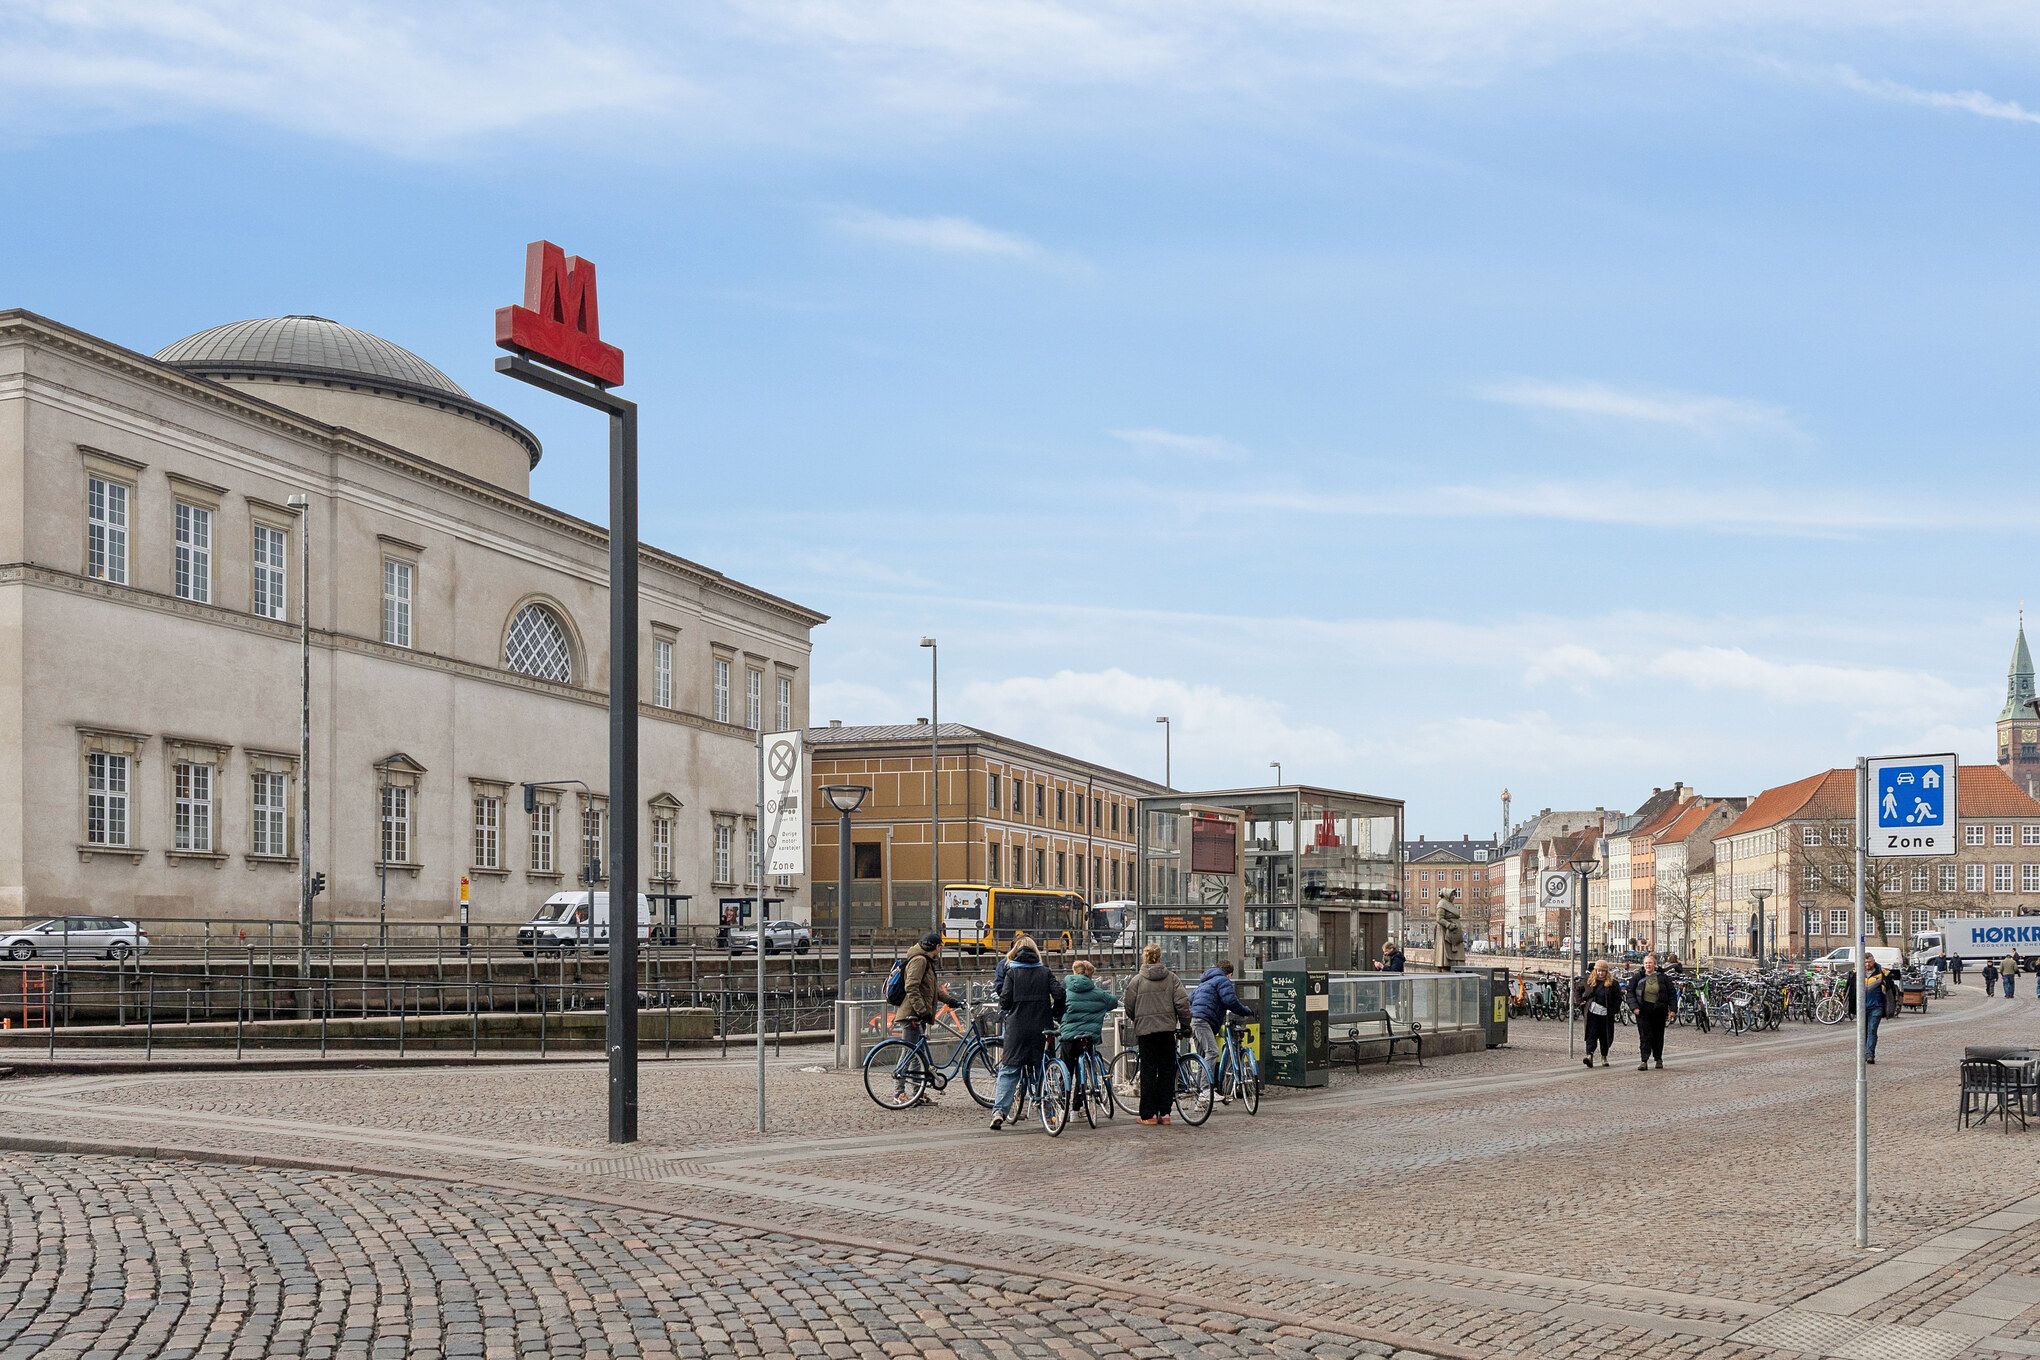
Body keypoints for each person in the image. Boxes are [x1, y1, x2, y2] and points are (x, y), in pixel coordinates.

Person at [988, 938, 1064, 1130]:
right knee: (1043, 1070)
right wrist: (1055, 1012)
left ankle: (999, 1112)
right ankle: (1049, 1115)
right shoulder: (1045, 972)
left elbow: (1005, 1000)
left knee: (1009, 1070)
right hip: (1042, 1027)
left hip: (1017, 1029)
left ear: (1016, 952)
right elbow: (1060, 994)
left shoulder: (1012, 972)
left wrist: (1011, 1008)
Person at [1120, 942, 1192, 1125]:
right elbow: (1182, 1004)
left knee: (1148, 1071)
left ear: (1144, 958)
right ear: (1160, 957)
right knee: (1167, 1070)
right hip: (1167, 1030)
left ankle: (1148, 1115)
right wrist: (1185, 1024)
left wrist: (1139, 1018)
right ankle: (1165, 1113)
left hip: (1145, 1032)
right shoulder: (1172, 978)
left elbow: (1129, 1006)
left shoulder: (1137, 980)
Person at [896, 932, 962, 1106]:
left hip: (918, 1014)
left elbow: (932, 990)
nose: (941, 950)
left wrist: (951, 1001)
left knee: (917, 1054)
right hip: (912, 1014)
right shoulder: (920, 961)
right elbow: (911, 986)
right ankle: (899, 1093)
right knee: (909, 1054)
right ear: (936, 947)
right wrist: (922, 1010)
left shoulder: (925, 961)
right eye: (940, 947)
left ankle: (917, 1093)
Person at [1189, 960, 1257, 1099]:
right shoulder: (1222, 980)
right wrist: (1246, 1011)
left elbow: (1190, 999)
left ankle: (1201, 1099)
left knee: (1203, 1057)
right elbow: (1230, 1001)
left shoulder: (1205, 982)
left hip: (1195, 1020)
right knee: (1212, 1052)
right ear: (1229, 974)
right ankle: (1206, 1090)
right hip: (1204, 1021)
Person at [1057, 960, 1116, 1108]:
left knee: (1066, 1069)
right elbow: (1113, 1002)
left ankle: (1063, 1101)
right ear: (1091, 975)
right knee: (1083, 1069)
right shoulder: (1099, 994)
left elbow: (1057, 1010)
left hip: (1068, 1038)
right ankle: (1077, 1105)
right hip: (1088, 1038)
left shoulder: (1065, 991)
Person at [1628, 952, 1675, 1071]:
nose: (1648, 965)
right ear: (1643, 965)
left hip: (1659, 1010)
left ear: (1655, 964)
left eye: (1650, 963)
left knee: (1658, 1035)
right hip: (1643, 1010)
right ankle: (1644, 1060)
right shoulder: (1637, 977)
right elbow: (1630, 993)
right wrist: (1634, 1007)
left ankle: (1658, 1058)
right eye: (1646, 963)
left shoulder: (1663, 978)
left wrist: (1673, 1009)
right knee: (1645, 1035)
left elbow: (1672, 994)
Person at [1580, 961, 1621, 1068]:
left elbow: (1618, 999)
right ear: (1595, 971)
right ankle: (1589, 1055)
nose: (1600, 973)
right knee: (1591, 1035)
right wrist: (1580, 1002)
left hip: (1606, 1014)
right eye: (1598, 971)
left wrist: (1613, 1010)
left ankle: (1604, 1056)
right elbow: (1578, 990)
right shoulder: (1589, 981)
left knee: (1605, 1036)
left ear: (1606, 972)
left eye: (1603, 971)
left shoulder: (1613, 984)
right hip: (1592, 1013)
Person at [1862, 958, 1895, 1064]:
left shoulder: (1881, 972)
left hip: (1876, 1007)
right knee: (1863, 1031)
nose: (1867, 964)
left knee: (1872, 1030)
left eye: (1869, 962)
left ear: (1873, 961)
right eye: (1865, 962)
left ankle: (1870, 1054)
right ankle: (1863, 1053)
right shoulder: (1858, 973)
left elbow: (1891, 986)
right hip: (1862, 1008)